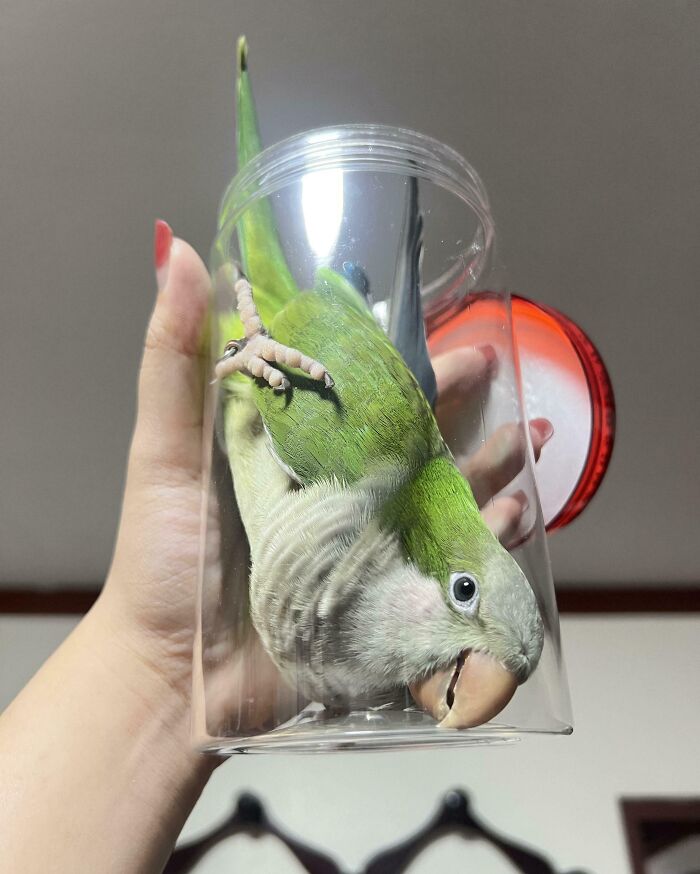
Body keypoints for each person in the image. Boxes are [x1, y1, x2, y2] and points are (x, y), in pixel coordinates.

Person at [0, 223, 552, 873]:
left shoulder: (358, 616)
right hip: (286, 336)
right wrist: (251, 347)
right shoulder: (348, 468)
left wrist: (184, 680)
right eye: (463, 591)